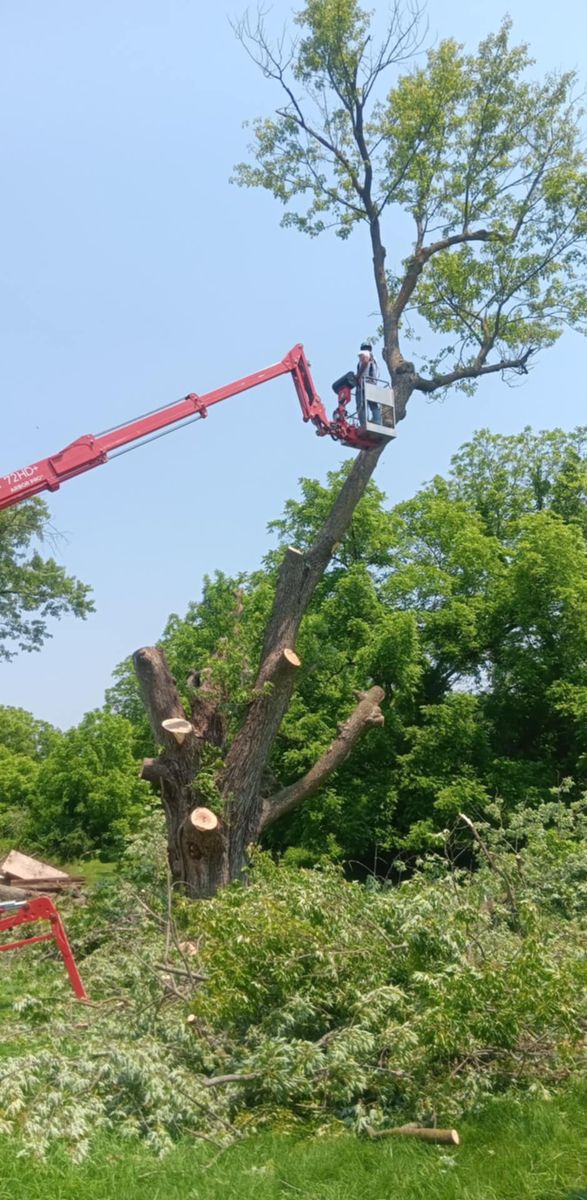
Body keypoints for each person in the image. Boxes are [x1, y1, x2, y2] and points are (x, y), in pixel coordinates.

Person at [356, 343, 382, 425]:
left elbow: (365, 361)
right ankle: (377, 422)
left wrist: (358, 376)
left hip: (364, 384)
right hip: (372, 384)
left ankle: (364, 424)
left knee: (361, 406)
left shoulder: (365, 354)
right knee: (373, 405)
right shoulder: (374, 359)